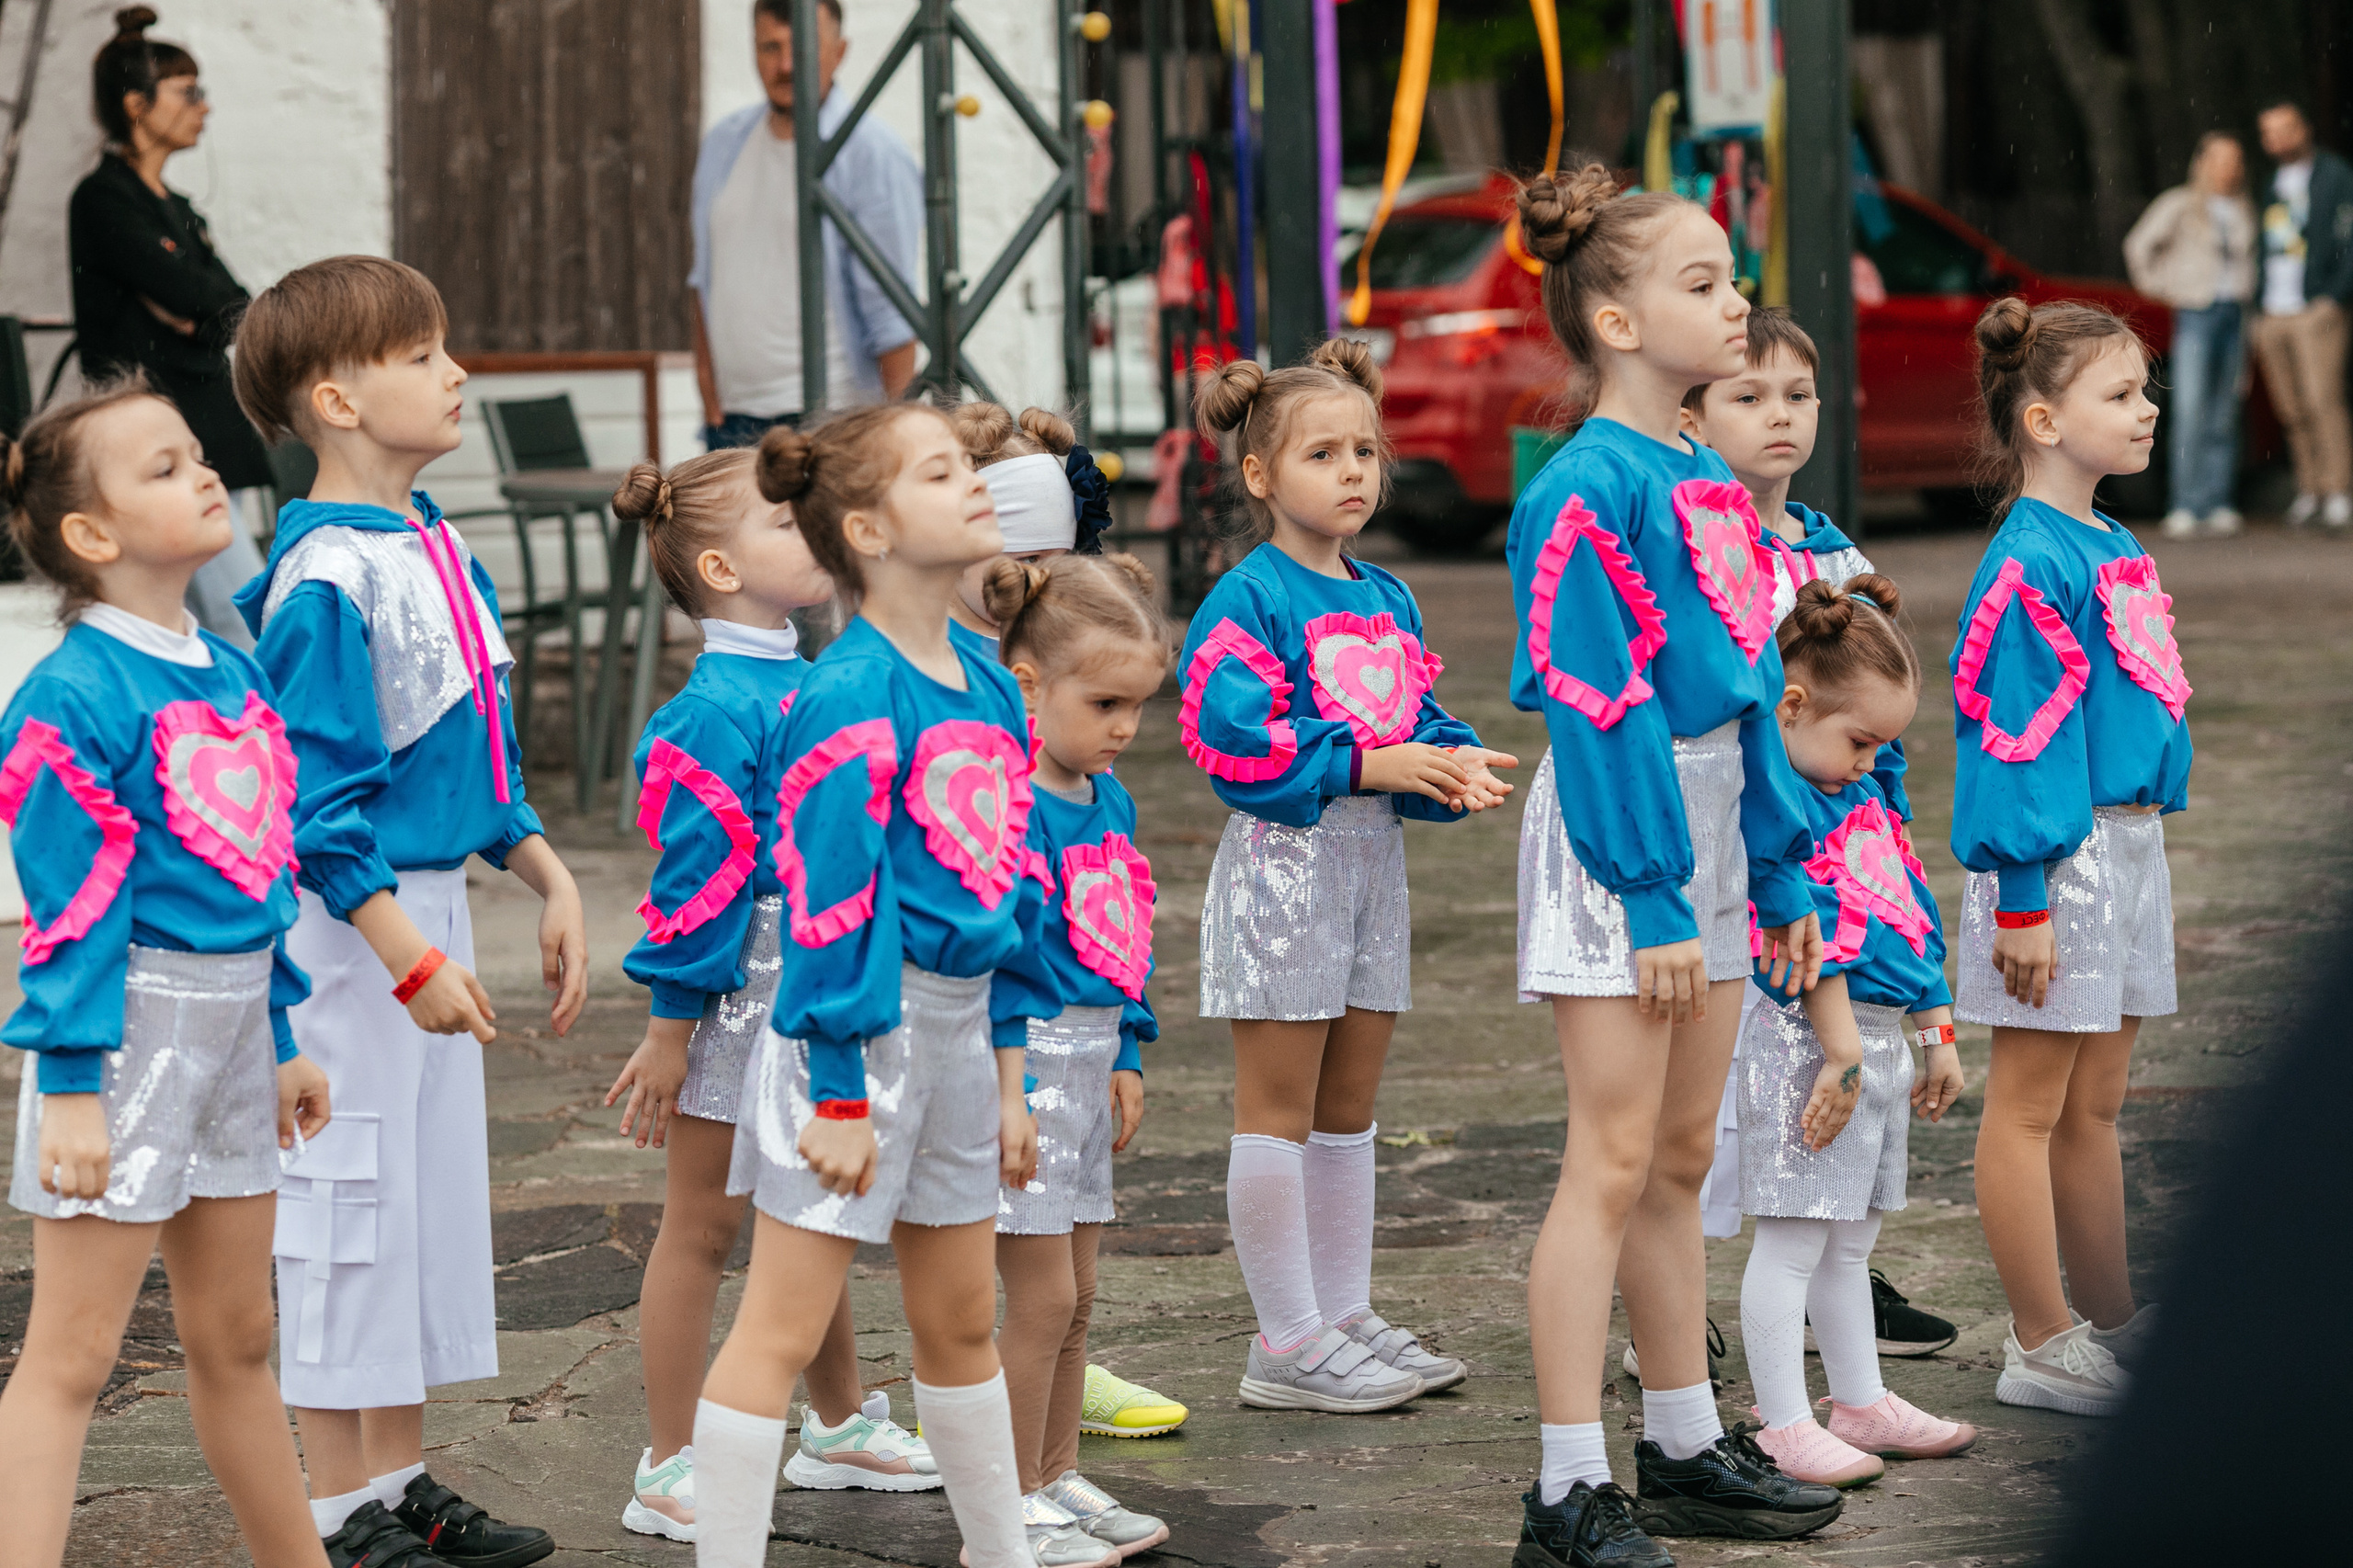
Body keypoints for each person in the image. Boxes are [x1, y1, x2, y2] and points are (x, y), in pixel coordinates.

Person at [692, 405, 1108, 1568]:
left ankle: (999, 1551)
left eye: (967, 465)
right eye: (939, 472)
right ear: (869, 531)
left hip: (964, 1038)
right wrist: (835, 1092)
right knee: (779, 1326)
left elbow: (1012, 892)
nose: (974, 482)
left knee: (961, 1317)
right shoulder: (848, 692)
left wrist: (1010, 1076)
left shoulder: (986, 680)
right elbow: (831, 907)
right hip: (855, 1042)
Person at [229, 256, 588, 1568]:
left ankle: (400, 1481)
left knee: (419, 1206)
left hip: (421, 915)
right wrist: (406, 956)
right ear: (335, 399)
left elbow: (469, 758)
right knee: (347, 1204)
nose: (457, 372)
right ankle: (339, 1513)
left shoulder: (434, 537)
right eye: (423, 353)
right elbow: (317, 799)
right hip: (352, 932)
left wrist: (547, 870)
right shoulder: (324, 572)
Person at [1506, 164, 1837, 1567]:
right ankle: (1565, 1488)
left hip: (1708, 829)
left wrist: (1782, 870)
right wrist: (1651, 894)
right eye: (1702, 282)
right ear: (1619, 323)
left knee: (1682, 1157)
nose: (1736, 300)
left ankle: (1687, 1441)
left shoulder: (1704, 478)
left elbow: (1753, 687)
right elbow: (1598, 705)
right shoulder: (1585, 487)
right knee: (1612, 1156)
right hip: (1618, 838)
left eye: (1732, 275)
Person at [0, 382, 331, 1567]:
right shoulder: (70, 695)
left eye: (196, 454)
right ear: (90, 533)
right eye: (162, 466)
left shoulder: (234, 676)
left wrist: (280, 1033)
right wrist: (71, 1086)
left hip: (236, 1035)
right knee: (72, 1356)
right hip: (123, 1037)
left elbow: (261, 874)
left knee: (239, 1340)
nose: (202, 474)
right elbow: (72, 910)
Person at [1176, 340, 1517, 1415]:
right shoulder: (1247, 599)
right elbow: (1229, 741)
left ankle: (1342, 1309)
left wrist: (1448, 761)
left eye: (1364, 450)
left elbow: (1411, 714)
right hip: (1285, 872)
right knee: (1277, 1108)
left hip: (1373, 869)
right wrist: (1372, 764)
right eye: (1321, 453)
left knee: (1348, 1108)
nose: (1352, 471)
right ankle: (1285, 1338)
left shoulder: (1389, 595)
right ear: (1260, 474)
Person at [601, 452, 937, 1541]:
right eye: (786, 524)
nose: (816, 530)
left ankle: (836, 1424)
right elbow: (694, 885)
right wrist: (669, 1030)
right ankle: (666, 1458)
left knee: (809, 1212)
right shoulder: (709, 711)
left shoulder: (822, 677)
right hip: (735, 991)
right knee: (701, 1227)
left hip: (815, 977)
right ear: (719, 567)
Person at [1677, 312, 1958, 1366]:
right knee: (1703, 1087)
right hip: (1723, 839)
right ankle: (1676, 1304)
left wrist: (1886, 832)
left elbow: (1874, 715)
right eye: (1748, 395)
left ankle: (1827, 1273)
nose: (1779, 415)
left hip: (1833, 846)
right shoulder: (1692, 544)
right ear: (1693, 414)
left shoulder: (1836, 552)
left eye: (1797, 393)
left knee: (1805, 1073)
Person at [1950, 297, 2191, 1417]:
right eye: (2121, 393)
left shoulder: (2112, 541)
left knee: (2096, 1100)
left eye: (2145, 391)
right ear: (2042, 420)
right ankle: (2040, 1338)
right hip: (2059, 859)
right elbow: (2013, 736)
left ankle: (2107, 1314)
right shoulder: (2029, 562)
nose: (2148, 410)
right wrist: (2023, 897)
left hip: (2130, 845)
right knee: (2029, 1103)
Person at [1734, 574, 1977, 1487]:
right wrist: (1839, 1052)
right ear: (1792, 706)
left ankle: (1860, 1398)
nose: (1873, 761)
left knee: (1849, 1240)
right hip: (1811, 1042)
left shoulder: (1860, 794)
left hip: (1875, 1040)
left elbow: (1906, 909)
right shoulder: (1779, 816)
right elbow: (1810, 937)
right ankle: (1781, 1421)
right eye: (1861, 740)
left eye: (1884, 744)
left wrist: (1934, 1027)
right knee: (1794, 1239)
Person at [983, 552, 1174, 1558]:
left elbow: (1123, 932)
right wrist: (1010, 1087)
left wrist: (1128, 1047)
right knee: (1041, 1295)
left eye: (1137, 706)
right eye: (1104, 703)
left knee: (1079, 1294)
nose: (1124, 727)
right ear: (1028, 684)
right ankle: (1007, 1492)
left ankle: (1055, 1471)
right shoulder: (1007, 807)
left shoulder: (1110, 800)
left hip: (1090, 1063)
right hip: (1024, 1070)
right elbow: (995, 962)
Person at [69, 7, 275, 645]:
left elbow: (235, 308)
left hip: (206, 426)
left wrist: (194, 315)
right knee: (235, 620)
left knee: (224, 618)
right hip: (152, 437)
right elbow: (194, 295)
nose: (203, 108)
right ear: (137, 104)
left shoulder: (179, 210)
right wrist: (192, 308)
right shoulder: (104, 198)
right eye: (188, 92)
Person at [691, 0, 922, 449]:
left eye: (802, 47)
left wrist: (898, 441)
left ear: (840, 51)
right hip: (732, 424)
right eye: (770, 47)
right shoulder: (723, 143)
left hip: (832, 421)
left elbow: (892, 310)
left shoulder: (871, 153)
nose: (786, 65)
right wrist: (705, 380)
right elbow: (704, 275)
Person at [2122, 132, 2257, 538]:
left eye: (2234, 159)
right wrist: (2164, 289)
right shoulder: (2180, 203)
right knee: (2191, 407)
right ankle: (2185, 502)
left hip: (2236, 314)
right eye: (2219, 158)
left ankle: (2218, 501)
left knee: (2225, 410)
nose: (2228, 167)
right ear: (2202, 162)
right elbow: (2138, 245)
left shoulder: (2245, 208)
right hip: (2196, 312)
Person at [2250, 100, 2353, 528]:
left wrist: (2334, 295)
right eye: (2268, 132)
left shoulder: (2334, 174)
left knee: (2322, 400)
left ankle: (2339, 491)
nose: (2277, 139)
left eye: (2285, 128)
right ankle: (2311, 489)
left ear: (2304, 129)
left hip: (2315, 308)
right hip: (2272, 310)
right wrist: (2258, 305)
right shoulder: (2270, 183)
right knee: (2290, 408)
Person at [946, 404, 1117, 655]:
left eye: (1062, 561)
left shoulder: (1065, 645)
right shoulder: (921, 655)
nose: (1050, 582)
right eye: (1029, 559)